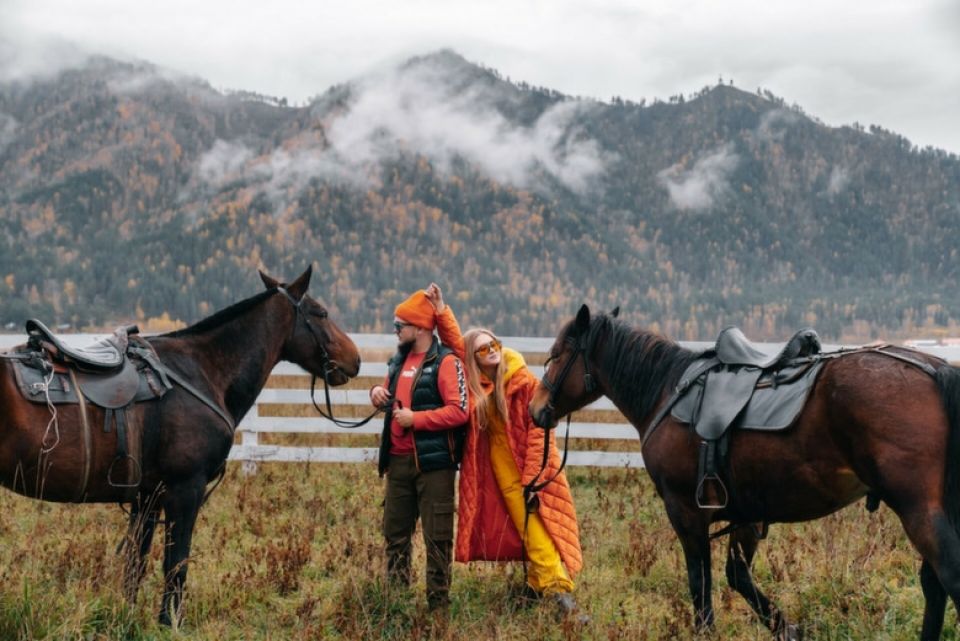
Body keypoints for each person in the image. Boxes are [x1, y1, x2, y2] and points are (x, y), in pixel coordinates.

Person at [424, 283, 585, 618]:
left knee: (539, 527)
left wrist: (534, 478)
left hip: (529, 469)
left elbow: (541, 431)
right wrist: (441, 312)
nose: (491, 352)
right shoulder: (477, 384)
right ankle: (537, 586)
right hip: (497, 471)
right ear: (474, 359)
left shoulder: (522, 381)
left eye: (493, 344)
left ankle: (560, 595)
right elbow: (457, 345)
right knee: (520, 526)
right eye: (482, 350)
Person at [368, 289, 468, 612]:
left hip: (434, 466)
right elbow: (385, 388)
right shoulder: (399, 360)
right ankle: (396, 604)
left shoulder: (447, 362)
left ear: (422, 327)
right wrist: (377, 393)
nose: (396, 331)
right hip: (397, 462)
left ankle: (438, 610)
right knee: (395, 535)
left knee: (437, 540)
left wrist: (417, 419)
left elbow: (459, 411)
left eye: (400, 325)